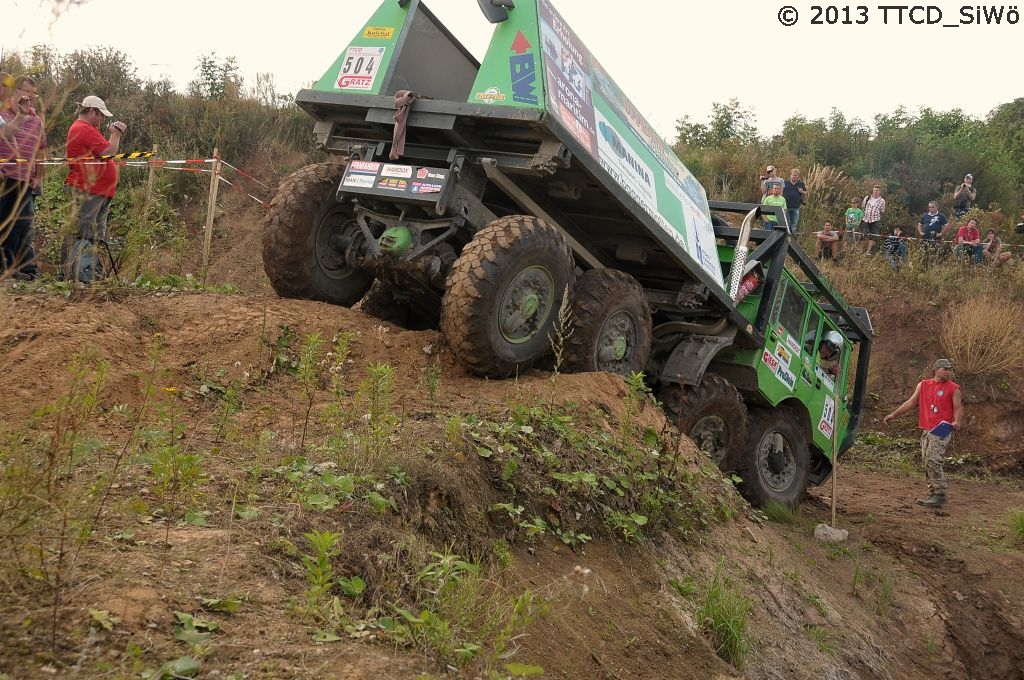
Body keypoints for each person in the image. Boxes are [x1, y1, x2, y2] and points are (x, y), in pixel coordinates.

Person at [883, 359, 962, 507]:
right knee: (926, 460)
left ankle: (940, 493)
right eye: (945, 369)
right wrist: (894, 415)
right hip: (927, 429)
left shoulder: (954, 388)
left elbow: (958, 408)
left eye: (950, 369)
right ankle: (933, 493)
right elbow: (911, 403)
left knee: (933, 459)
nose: (948, 372)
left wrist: (957, 421)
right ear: (936, 369)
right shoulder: (924, 385)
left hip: (942, 429)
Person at [64, 95, 127, 279]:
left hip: (98, 191)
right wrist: (115, 135)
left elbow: (102, 152)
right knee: (86, 234)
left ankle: (90, 273)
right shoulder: (83, 129)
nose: (102, 119)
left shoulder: (88, 129)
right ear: (92, 111)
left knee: (95, 235)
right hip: (89, 190)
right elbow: (108, 152)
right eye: (100, 115)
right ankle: (82, 276)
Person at [0, 76, 46, 280]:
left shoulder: (36, 119)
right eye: (29, 93)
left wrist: (39, 176)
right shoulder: (3, 114)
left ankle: (20, 269)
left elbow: (40, 150)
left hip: (26, 181)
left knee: (23, 225)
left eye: (34, 94)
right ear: (16, 91)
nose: (32, 98)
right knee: (6, 224)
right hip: (5, 179)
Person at [917, 200, 950, 268]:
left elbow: (947, 225)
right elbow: (919, 224)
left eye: (932, 207)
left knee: (935, 254)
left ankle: (933, 268)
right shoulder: (925, 215)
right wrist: (920, 232)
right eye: (929, 207)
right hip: (925, 238)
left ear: (936, 207)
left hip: (936, 238)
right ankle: (924, 268)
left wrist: (941, 234)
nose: (931, 208)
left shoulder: (941, 216)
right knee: (924, 254)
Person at [860, 186, 886, 253]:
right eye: (874, 190)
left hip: (875, 220)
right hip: (866, 219)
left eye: (877, 190)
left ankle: (868, 251)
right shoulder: (867, 198)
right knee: (863, 234)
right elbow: (863, 206)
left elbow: (882, 211)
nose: (875, 192)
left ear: (879, 191)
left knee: (874, 235)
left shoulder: (882, 201)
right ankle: (860, 250)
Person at [782, 168, 807, 234]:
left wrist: (802, 191)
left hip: (796, 207)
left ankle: (793, 239)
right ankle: (786, 238)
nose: (794, 176)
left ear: (798, 176)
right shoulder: (785, 182)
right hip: (786, 207)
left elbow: (806, 193)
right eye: (793, 175)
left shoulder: (801, 183)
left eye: (796, 175)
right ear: (791, 175)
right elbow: (781, 192)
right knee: (786, 224)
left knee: (794, 225)